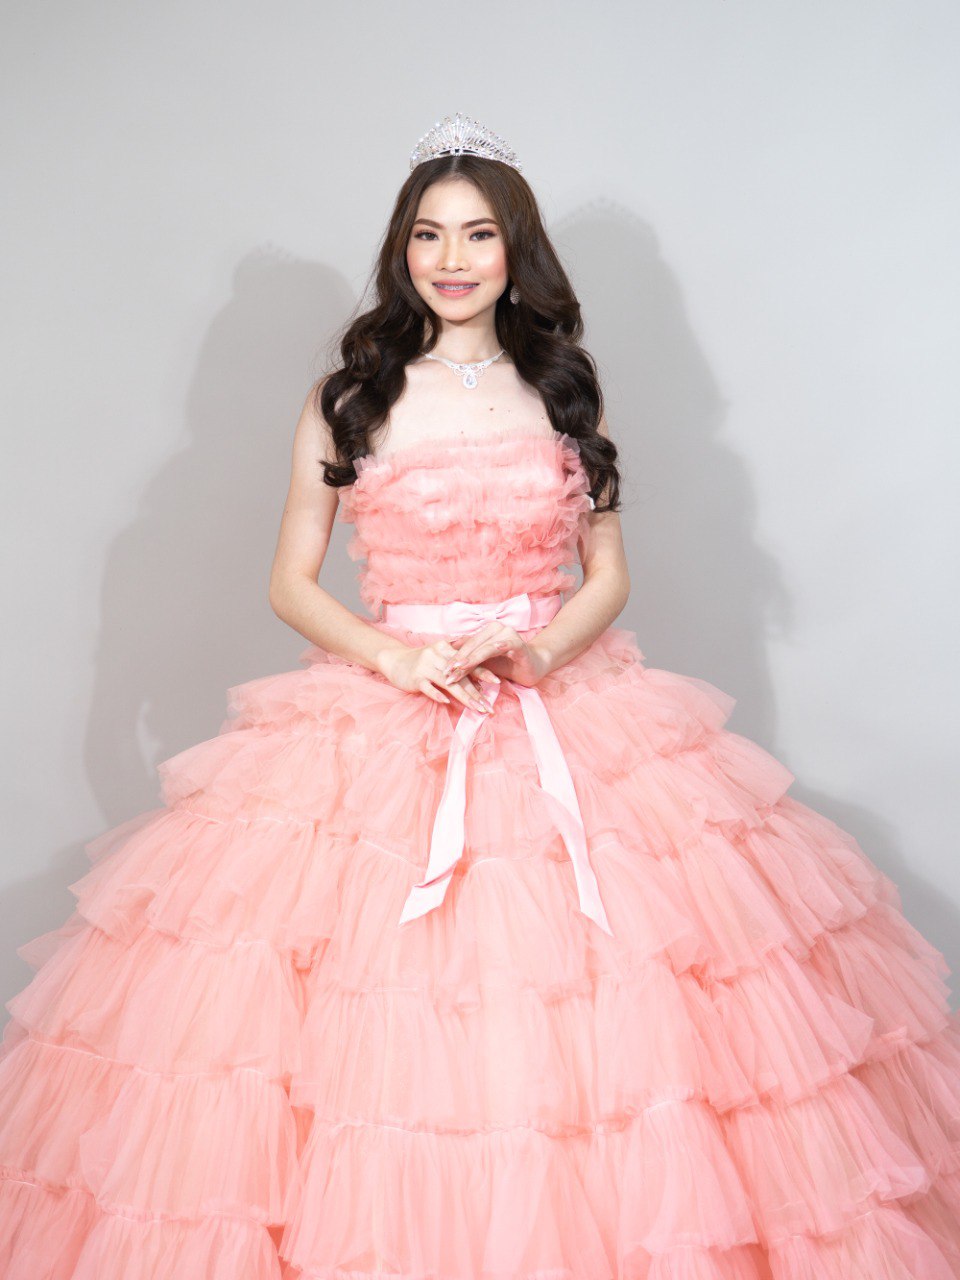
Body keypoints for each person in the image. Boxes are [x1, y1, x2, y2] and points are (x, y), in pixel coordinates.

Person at [1, 112, 958, 1280]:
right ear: (400, 248)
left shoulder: (565, 390)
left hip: (562, 703)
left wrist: (542, 652)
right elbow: (289, 580)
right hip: (386, 709)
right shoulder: (351, 397)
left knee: (620, 1020)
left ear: (518, 251)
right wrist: (399, 659)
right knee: (367, 1023)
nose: (450, 259)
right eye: (427, 234)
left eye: (478, 234)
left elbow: (607, 573)